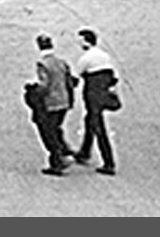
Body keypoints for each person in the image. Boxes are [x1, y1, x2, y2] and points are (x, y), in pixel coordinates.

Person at [70, 27, 120, 175]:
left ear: (86, 42)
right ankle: (85, 151)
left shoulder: (85, 59)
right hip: (103, 94)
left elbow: (75, 79)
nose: (79, 44)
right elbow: (113, 77)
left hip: (92, 96)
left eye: (80, 41)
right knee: (89, 121)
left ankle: (109, 163)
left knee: (98, 127)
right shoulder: (105, 56)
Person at [30, 34, 76, 174]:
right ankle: (65, 151)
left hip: (51, 102)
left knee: (48, 132)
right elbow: (70, 81)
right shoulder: (62, 62)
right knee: (56, 127)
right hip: (64, 100)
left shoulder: (43, 64)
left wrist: (34, 91)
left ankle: (57, 161)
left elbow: (45, 85)